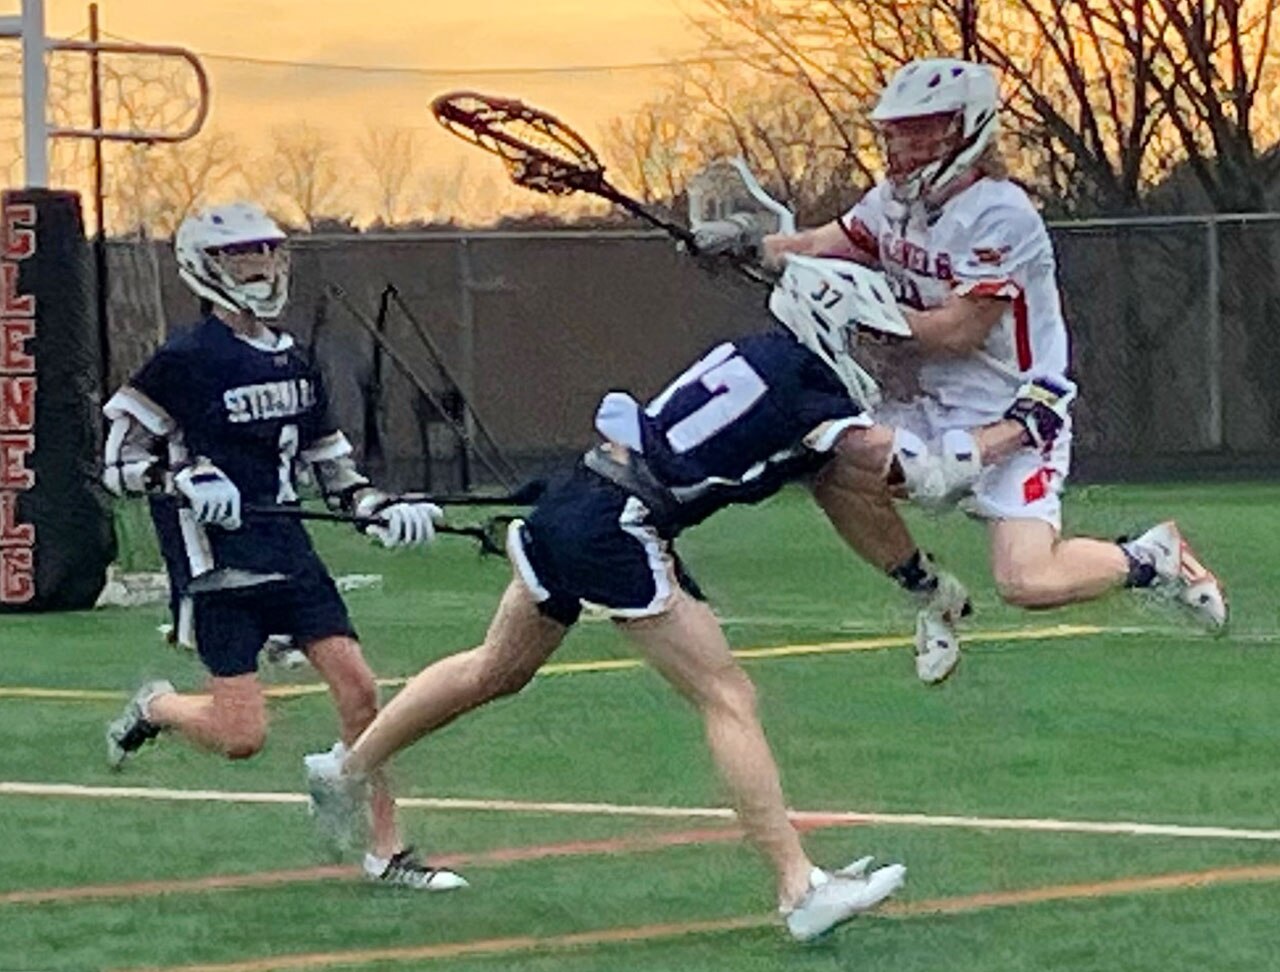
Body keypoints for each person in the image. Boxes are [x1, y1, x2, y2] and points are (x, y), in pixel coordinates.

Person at [303, 253, 1066, 940]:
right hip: (620, 525)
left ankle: (344, 771)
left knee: (496, 668)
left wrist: (919, 582)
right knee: (726, 694)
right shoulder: (807, 384)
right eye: (868, 338)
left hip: (580, 501)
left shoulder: (765, 362)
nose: (880, 356)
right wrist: (1022, 424)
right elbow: (922, 477)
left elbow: (844, 491)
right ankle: (799, 888)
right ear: (827, 321)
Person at [763, 58, 1226, 674]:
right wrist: (754, 246)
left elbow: (957, 332)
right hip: (933, 404)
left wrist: (863, 316)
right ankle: (934, 597)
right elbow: (822, 243)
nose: (902, 143)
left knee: (1026, 581)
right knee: (831, 470)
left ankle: (1150, 559)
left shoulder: (999, 213)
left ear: (966, 131)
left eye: (922, 129)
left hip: (1018, 416)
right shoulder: (892, 204)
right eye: (898, 130)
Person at [101, 201, 467, 892]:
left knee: (361, 688)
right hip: (217, 564)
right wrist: (185, 477)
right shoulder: (185, 359)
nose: (261, 268)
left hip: (288, 547)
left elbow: (334, 469)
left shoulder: (295, 359)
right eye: (242, 256)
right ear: (206, 268)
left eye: (268, 252)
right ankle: (156, 708)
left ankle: (386, 852)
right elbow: (118, 460)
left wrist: (380, 510)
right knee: (242, 736)